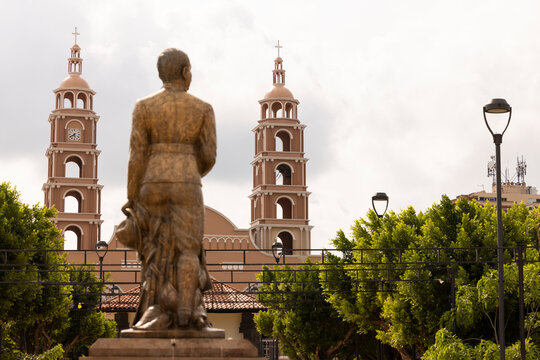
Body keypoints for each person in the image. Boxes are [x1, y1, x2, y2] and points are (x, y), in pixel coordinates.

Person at [117, 48, 216, 330]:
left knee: (155, 249)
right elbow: (209, 156)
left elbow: (136, 154)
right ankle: (187, 310)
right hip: (187, 181)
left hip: (151, 182)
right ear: (185, 72)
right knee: (188, 248)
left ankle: (155, 306)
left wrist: (132, 195)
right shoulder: (203, 108)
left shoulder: (144, 106)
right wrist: (189, 171)